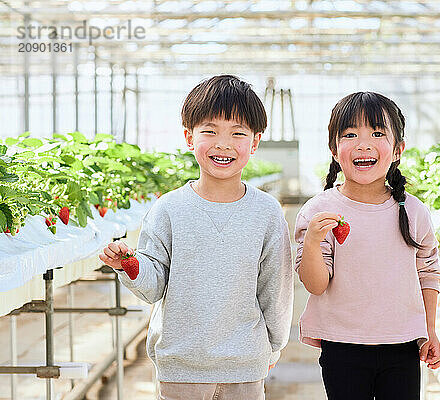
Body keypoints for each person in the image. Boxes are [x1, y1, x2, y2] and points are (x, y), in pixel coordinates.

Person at [99, 75, 294, 400]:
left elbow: (276, 288)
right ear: (189, 137)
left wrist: (272, 348)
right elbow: (154, 285)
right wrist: (131, 266)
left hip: (245, 365)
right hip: (181, 366)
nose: (223, 143)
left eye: (237, 133)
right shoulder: (169, 209)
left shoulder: (267, 213)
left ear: (255, 142)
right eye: (210, 131)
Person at [294, 92, 440, 399]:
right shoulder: (319, 211)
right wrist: (312, 241)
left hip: (402, 345)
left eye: (377, 133)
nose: (364, 144)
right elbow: (315, 285)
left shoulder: (413, 210)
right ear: (334, 150)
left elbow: (428, 273)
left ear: (398, 149)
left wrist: (429, 331)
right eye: (350, 135)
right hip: (342, 346)